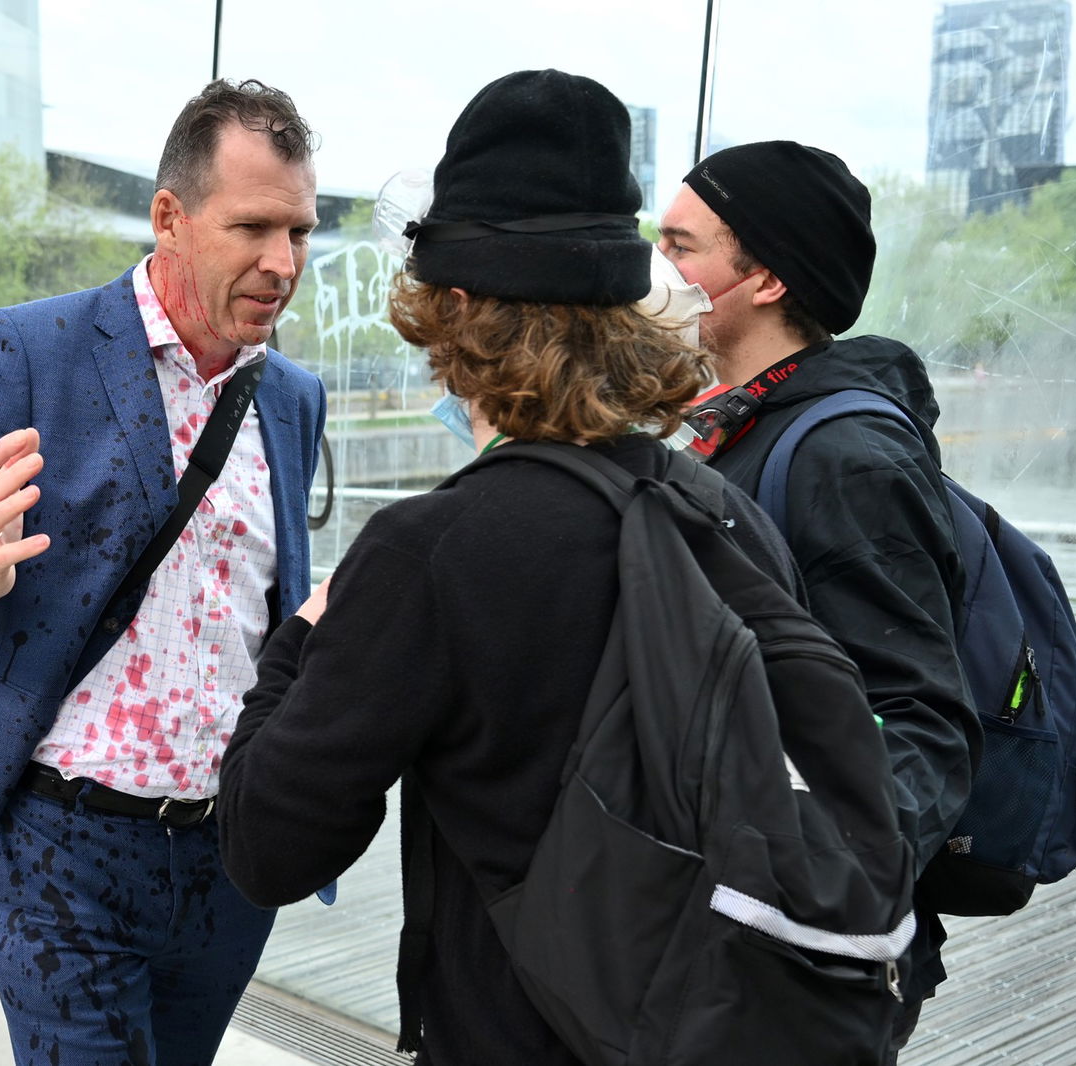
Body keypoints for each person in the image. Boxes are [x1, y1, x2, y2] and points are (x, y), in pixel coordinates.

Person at [215, 70, 807, 1064]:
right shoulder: (719, 512)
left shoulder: (430, 551)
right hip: (707, 1024)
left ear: (453, 306)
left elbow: (269, 844)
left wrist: (300, 644)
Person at [0, 78, 326, 1066]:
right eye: (252, 227)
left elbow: (268, 611)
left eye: (299, 232)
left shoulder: (291, 396)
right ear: (170, 216)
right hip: (56, 851)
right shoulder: (30, 350)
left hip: (226, 864)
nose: (281, 262)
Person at [656, 141, 983, 1060]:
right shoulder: (738, 426)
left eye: (681, 247)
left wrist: (797, 904)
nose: (656, 272)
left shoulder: (843, 457)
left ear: (762, 278)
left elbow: (923, 722)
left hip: (790, 967)